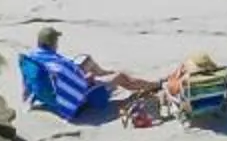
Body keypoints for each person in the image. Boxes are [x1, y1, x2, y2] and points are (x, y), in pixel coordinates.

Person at [16, 25, 164, 123]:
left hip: (50, 93)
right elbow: (77, 84)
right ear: (54, 43)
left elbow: (28, 81)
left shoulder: (32, 58)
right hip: (76, 101)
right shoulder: (58, 67)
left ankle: (106, 73)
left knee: (86, 60)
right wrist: (89, 79)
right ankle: (156, 84)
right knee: (121, 77)